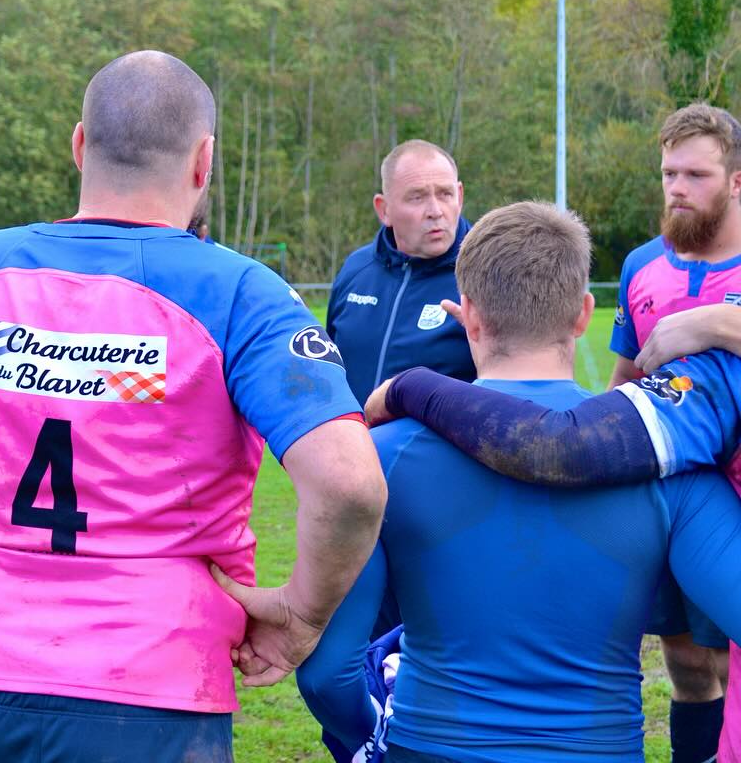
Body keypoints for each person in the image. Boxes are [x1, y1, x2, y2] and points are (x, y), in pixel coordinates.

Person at [0, 50, 386, 762]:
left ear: (79, 145)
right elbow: (350, 482)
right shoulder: (240, 292)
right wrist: (301, 614)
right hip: (160, 684)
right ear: (205, 162)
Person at [253, 202, 741, 763]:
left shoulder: (383, 456)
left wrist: (369, 739)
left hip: (428, 744)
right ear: (584, 314)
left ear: (469, 317)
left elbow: (328, 674)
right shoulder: (668, 466)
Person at [608, 103, 741, 760]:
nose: (679, 189)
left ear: (737, 181)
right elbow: (625, 379)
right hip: (664, 498)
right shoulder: (641, 267)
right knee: (690, 670)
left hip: (734, 505)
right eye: (669, 174)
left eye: (698, 174)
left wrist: (713, 324)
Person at [325, 140, 473, 406]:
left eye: (445, 194)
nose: (435, 211)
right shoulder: (356, 271)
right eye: (417, 197)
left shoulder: (489, 276)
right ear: (384, 210)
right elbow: (330, 373)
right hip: (351, 446)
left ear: (460, 197)